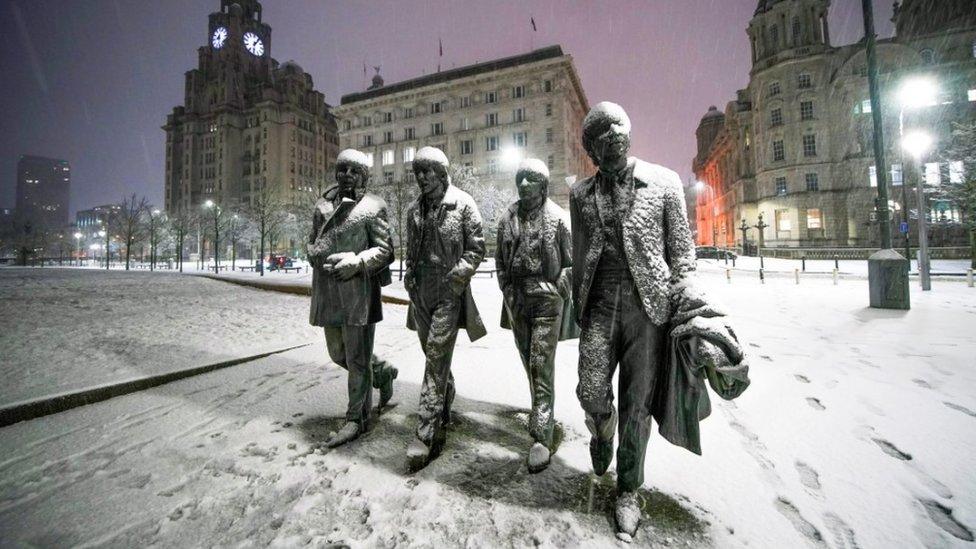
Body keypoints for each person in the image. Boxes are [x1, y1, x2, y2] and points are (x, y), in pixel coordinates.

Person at [570, 102, 701, 537]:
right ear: (591, 150)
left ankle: (628, 487)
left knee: (638, 405)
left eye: (617, 131)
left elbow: (682, 251)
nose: (612, 141)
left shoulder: (663, 183)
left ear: (627, 133)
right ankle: (601, 432)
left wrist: (685, 292)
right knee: (591, 390)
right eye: (601, 138)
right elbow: (580, 250)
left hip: (649, 309)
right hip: (600, 304)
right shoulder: (579, 194)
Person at [307, 148, 398, 448]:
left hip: (358, 292)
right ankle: (383, 374)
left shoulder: (374, 207)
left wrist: (357, 262)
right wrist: (314, 254)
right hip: (329, 291)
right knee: (338, 354)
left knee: (358, 360)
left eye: (354, 171)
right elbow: (314, 243)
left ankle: (356, 419)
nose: (347, 176)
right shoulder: (321, 205)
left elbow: (385, 250)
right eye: (342, 169)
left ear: (364, 176)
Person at [403, 146, 486, 471]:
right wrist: (410, 274)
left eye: (427, 171)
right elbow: (411, 249)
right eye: (417, 172)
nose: (421, 178)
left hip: (448, 293)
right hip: (420, 292)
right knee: (432, 355)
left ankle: (426, 432)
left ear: (441, 173)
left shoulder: (463, 203)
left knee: (436, 356)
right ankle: (444, 396)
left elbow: (476, 246)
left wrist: (459, 275)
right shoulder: (413, 210)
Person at [495, 158, 578, 473]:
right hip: (518, 300)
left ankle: (542, 434)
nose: (524, 184)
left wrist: (558, 286)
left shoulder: (558, 218)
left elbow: (572, 263)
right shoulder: (508, 218)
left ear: (543, 185)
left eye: (531, 179)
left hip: (546, 301)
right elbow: (500, 260)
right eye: (521, 179)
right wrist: (506, 287)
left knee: (540, 364)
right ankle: (542, 414)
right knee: (530, 362)